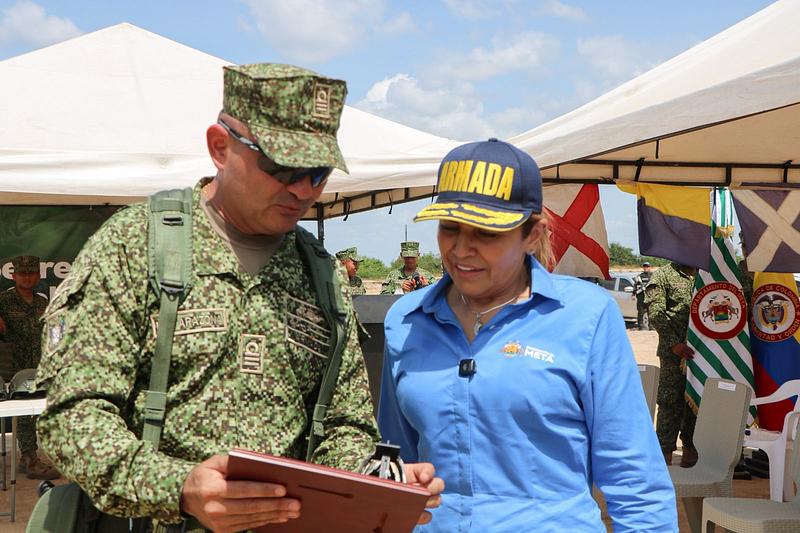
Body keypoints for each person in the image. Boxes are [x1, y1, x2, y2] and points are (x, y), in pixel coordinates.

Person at [35, 63, 442, 532]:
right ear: (220, 147)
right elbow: (73, 417)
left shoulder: (321, 274)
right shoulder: (134, 246)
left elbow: (344, 426)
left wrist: (375, 481)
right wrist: (178, 488)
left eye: (319, 173)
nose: (303, 189)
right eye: (281, 167)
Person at [378, 138, 677, 532]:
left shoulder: (585, 316)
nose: (462, 249)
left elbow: (634, 477)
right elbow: (393, 459)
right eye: (450, 228)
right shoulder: (406, 320)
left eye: (486, 232)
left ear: (533, 234)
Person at [0, 255, 59, 480]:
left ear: (38, 275)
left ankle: (29, 456)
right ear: (13, 275)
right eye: (22, 273)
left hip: (37, 367)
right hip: (13, 370)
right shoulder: (3, 301)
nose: (27, 277)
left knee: (37, 413)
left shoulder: (42, 302)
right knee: (23, 413)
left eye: (31, 273)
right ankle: (30, 457)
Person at [645, 261, 699, 468]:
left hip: (702, 354)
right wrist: (673, 343)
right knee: (670, 403)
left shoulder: (707, 273)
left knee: (696, 403)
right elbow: (656, 313)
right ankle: (664, 454)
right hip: (673, 355)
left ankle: (690, 451)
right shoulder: (663, 275)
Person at [634, 261, 653, 330]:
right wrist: (633, 294)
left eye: (647, 266)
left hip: (650, 296)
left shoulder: (653, 275)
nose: (646, 268)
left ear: (650, 267)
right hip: (641, 297)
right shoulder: (639, 276)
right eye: (644, 266)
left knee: (650, 312)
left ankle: (651, 326)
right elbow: (635, 286)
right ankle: (640, 326)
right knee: (641, 312)